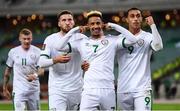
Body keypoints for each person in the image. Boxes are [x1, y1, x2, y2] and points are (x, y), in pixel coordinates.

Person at [54, 10, 138, 110]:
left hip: (108, 89)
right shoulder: (81, 42)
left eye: (98, 23)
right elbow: (59, 46)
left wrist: (114, 26)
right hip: (89, 90)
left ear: (102, 24)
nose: (95, 26)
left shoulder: (112, 40)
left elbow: (133, 40)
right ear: (88, 26)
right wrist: (74, 30)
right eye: (92, 24)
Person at [38, 10, 86, 110]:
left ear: (73, 22)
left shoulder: (82, 38)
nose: (67, 22)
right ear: (59, 23)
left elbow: (90, 59)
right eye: (64, 20)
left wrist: (86, 64)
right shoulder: (50, 39)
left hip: (77, 89)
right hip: (57, 90)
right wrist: (56, 60)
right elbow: (41, 62)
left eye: (70, 19)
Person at [116, 7, 163, 111]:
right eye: (132, 16)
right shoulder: (118, 39)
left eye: (138, 16)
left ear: (141, 19)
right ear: (127, 20)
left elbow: (159, 47)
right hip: (123, 89)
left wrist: (153, 26)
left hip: (142, 89)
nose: (136, 19)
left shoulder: (147, 36)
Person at [3, 28, 43, 111]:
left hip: (33, 90)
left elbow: (41, 70)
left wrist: (35, 75)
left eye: (28, 39)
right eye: (24, 39)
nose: (27, 41)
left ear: (31, 38)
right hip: (18, 91)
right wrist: (5, 88)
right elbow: (7, 72)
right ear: (20, 39)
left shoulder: (37, 51)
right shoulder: (13, 52)